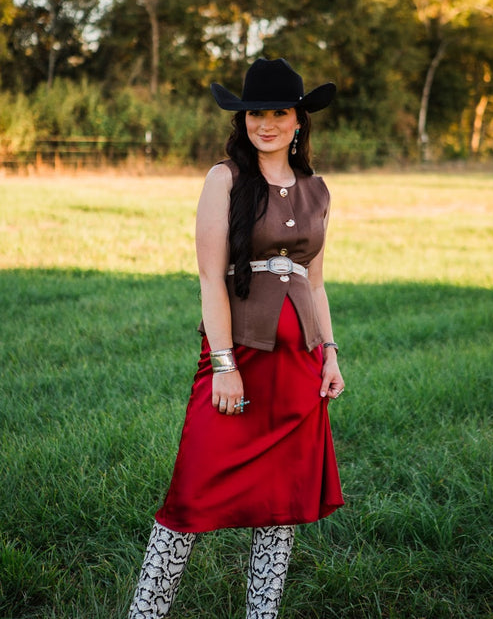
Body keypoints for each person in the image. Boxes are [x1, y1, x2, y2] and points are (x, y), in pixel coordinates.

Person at [128, 58, 345, 619]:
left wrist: (330, 352)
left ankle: (261, 613)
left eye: (278, 112)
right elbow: (209, 276)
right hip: (238, 356)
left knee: (282, 500)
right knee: (191, 490)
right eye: (255, 113)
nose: (265, 123)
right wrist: (223, 363)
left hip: (298, 364)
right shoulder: (224, 179)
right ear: (242, 119)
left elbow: (315, 282)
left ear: (299, 119)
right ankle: (146, 612)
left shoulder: (318, 191)